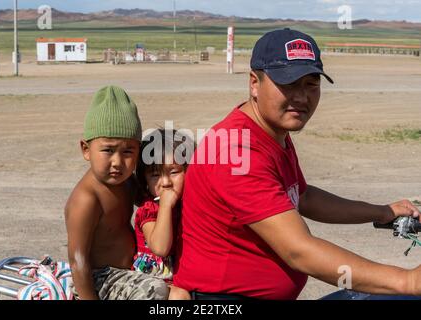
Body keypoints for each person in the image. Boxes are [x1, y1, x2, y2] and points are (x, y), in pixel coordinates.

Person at [173, 28, 421, 300]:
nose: (302, 98)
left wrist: (382, 211)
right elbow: (299, 251)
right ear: (254, 83)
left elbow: (302, 196)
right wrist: (407, 280)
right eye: (289, 84)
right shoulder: (235, 151)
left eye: (311, 84)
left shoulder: (270, 131)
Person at [65, 85, 169, 300]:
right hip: (99, 279)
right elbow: (78, 260)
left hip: (131, 271)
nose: (117, 162)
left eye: (128, 151)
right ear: (86, 149)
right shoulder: (86, 199)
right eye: (108, 150)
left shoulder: (128, 183)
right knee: (155, 290)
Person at [133, 129, 193, 300]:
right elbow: (160, 248)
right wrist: (165, 205)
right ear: (145, 182)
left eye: (174, 172)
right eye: (155, 175)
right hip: (153, 279)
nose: (165, 182)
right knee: (179, 296)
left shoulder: (187, 204)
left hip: (180, 275)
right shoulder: (149, 210)